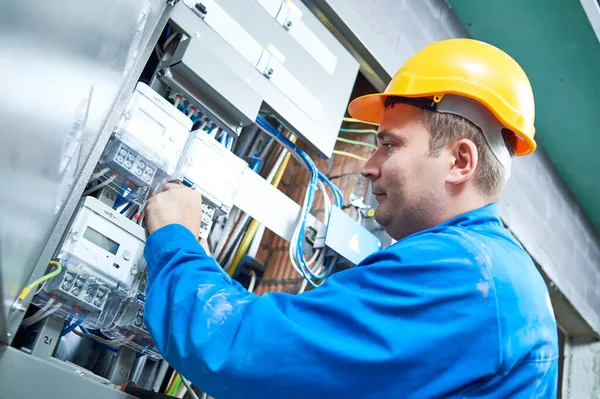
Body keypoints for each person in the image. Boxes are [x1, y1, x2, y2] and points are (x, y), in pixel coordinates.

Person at [143, 38, 558, 398]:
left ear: (459, 161)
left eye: (390, 145)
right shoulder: (495, 271)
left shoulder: (464, 272)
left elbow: (246, 354)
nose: (368, 166)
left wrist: (177, 241)